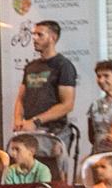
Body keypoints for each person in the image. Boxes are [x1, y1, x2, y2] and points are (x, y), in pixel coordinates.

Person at [12, 20, 76, 172]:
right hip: (29, 133)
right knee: (26, 176)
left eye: (40, 34)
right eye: (33, 34)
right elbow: (21, 97)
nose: (34, 38)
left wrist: (37, 120)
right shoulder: (31, 66)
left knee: (52, 178)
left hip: (53, 133)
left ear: (53, 37)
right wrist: (17, 120)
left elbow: (67, 105)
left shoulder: (63, 65)